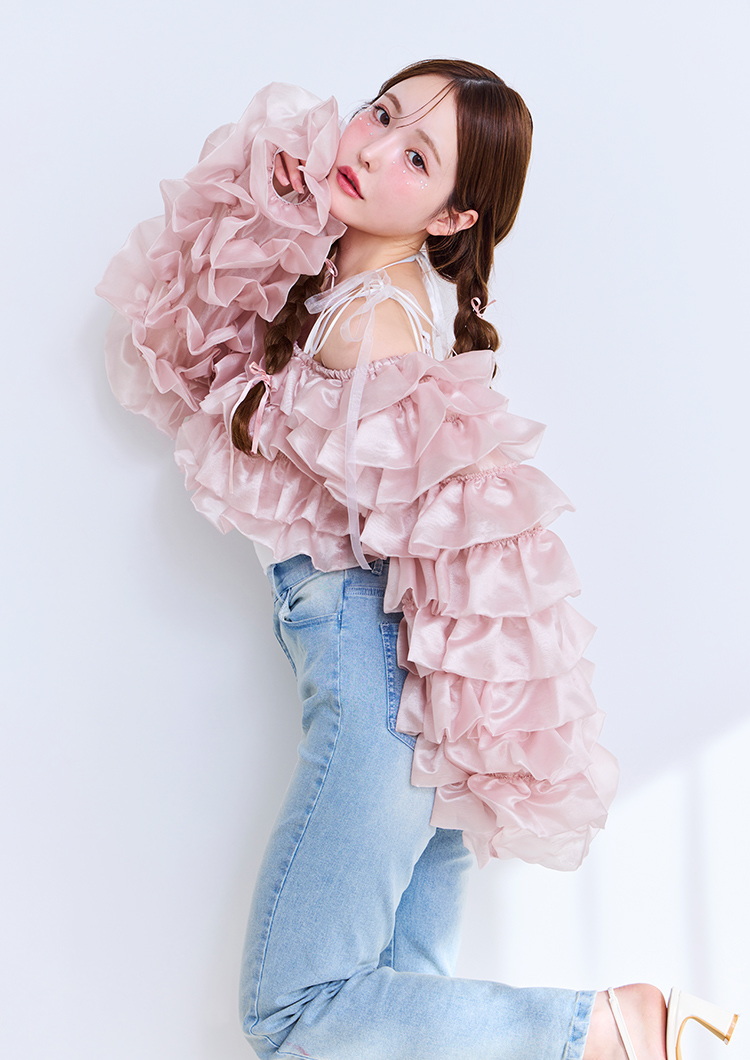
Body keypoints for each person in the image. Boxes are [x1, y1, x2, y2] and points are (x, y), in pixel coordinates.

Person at [96, 58, 738, 1060]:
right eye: (382, 113)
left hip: (379, 679)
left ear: (451, 217)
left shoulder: (375, 329)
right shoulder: (359, 297)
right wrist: (276, 200)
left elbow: (458, 539)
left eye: (418, 157)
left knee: (296, 1008)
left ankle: (610, 1031)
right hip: (418, 695)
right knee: (398, 1004)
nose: (374, 149)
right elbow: (197, 343)